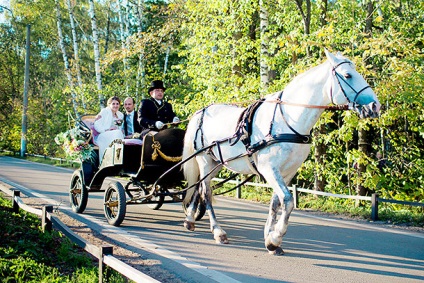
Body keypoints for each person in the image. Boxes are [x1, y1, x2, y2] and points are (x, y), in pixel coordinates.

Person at [94, 96, 124, 163]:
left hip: (116, 135)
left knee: (119, 133)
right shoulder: (105, 111)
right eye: (113, 104)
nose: (115, 105)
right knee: (118, 133)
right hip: (103, 134)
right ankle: (113, 158)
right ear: (109, 104)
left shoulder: (120, 115)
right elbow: (97, 124)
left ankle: (119, 158)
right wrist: (107, 130)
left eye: (117, 104)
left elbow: (120, 127)